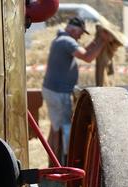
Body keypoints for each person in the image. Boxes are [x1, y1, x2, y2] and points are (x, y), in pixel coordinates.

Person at [42, 16, 105, 165]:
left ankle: (53, 163)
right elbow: (88, 57)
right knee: (64, 129)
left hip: (53, 90)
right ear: (72, 29)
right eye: (80, 32)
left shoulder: (62, 40)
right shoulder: (67, 41)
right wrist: (103, 41)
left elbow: (84, 51)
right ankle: (62, 164)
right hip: (59, 93)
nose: (81, 36)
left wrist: (96, 41)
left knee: (55, 128)